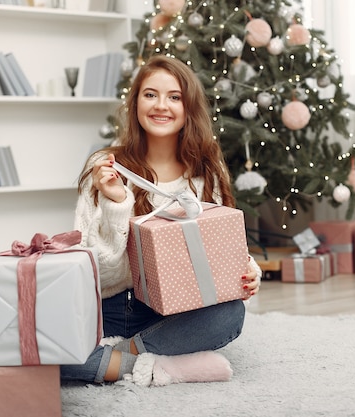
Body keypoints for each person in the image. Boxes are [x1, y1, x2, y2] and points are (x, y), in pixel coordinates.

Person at [60, 55, 261, 387]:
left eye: (174, 97)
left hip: (173, 312)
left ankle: (119, 357)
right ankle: (162, 365)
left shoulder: (206, 170)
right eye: (150, 94)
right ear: (136, 101)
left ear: (188, 107)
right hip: (107, 307)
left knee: (230, 314)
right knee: (32, 347)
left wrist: (249, 269)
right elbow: (97, 269)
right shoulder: (104, 166)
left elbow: (221, 246)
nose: (161, 106)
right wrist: (116, 202)